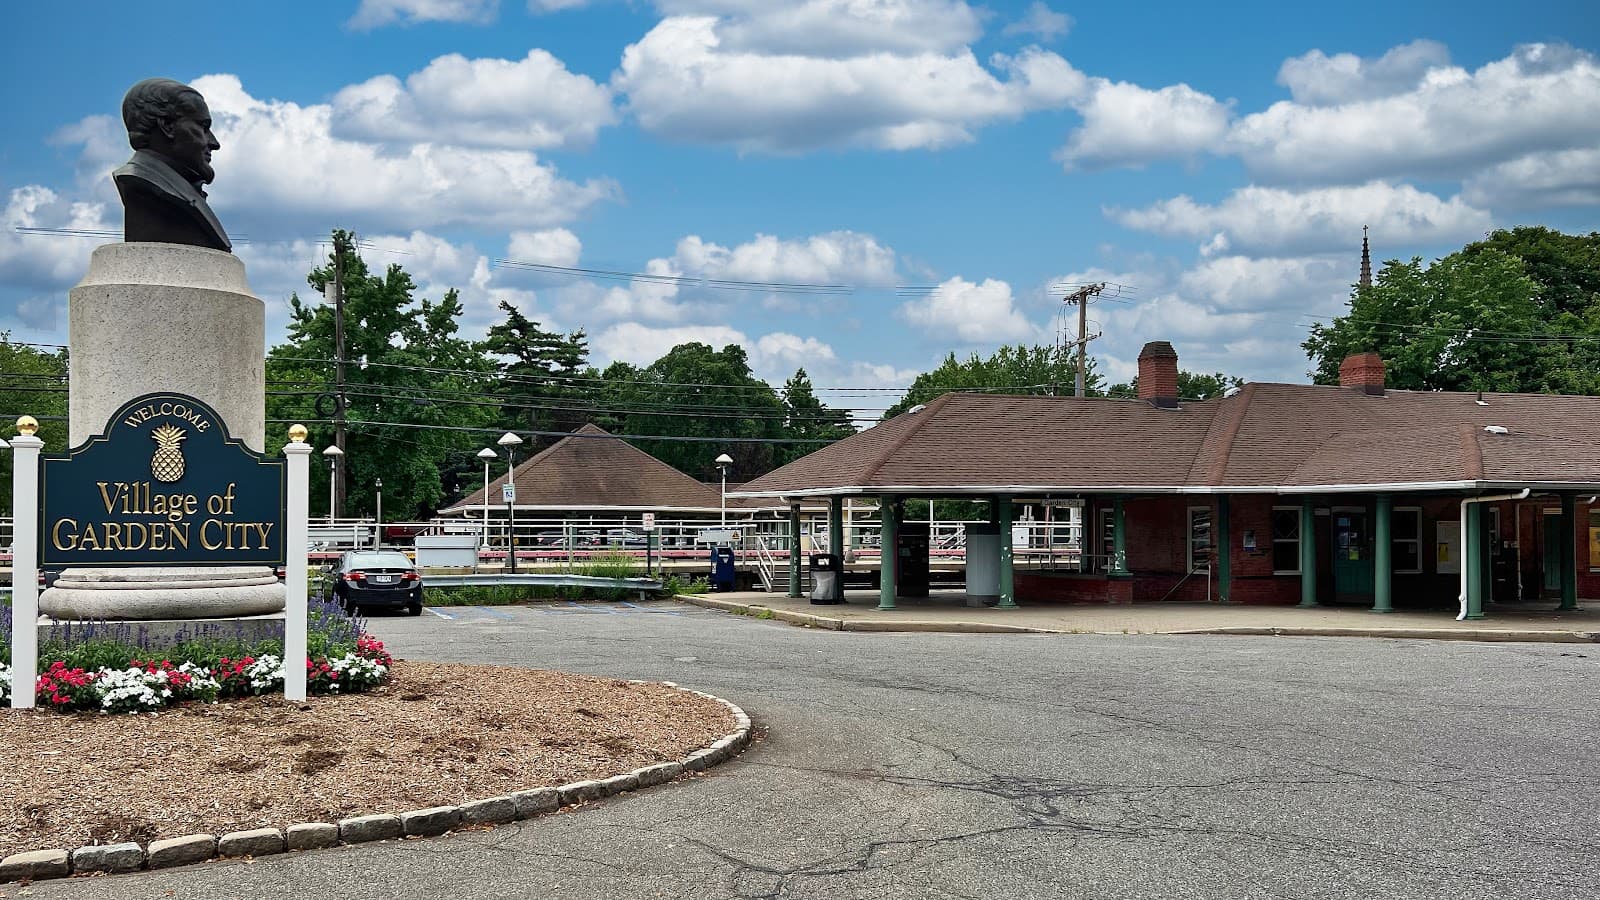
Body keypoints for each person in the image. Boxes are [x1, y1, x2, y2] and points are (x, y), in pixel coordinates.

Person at [112, 78, 231, 252]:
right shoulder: (143, 184)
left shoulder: (178, 187)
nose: (214, 143)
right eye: (203, 127)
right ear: (167, 126)